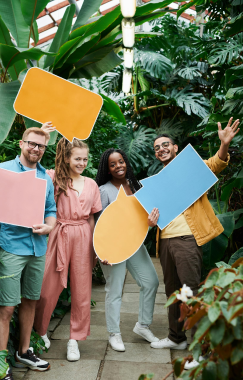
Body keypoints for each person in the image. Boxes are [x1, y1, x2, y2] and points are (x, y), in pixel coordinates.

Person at [150, 117, 240, 368]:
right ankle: (176, 337)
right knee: (173, 292)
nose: (161, 149)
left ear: (175, 147)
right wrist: (151, 220)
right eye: (157, 148)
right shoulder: (158, 180)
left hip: (188, 239)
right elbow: (154, 213)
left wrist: (224, 145)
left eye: (165, 144)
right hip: (165, 241)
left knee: (192, 291)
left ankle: (201, 350)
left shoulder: (189, 167)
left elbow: (215, 165)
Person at [0, 127, 57, 380]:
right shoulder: (3, 171)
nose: (36, 149)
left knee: (31, 301)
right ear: (22, 143)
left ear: (45, 149)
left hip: (38, 246)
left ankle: (24, 351)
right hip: (12, 246)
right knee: (7, 307)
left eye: (41, 146)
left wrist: (49, 225)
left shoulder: (46, 176)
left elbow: (51, 209)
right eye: (32, 144)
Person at [34, 126, 102, 362]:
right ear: (67, 157)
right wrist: (42, 135)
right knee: (45, 287)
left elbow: (92, 217)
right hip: (58, 233)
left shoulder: (92, 184)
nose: (82, 163)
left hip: (84, 235)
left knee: (82, 292)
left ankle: (75, 340)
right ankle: (40, 331)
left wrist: (95, 247)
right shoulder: (54, 177)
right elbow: (34, 167)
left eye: (85, 159)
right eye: (77, 158)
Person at [95, 148, 160, 352]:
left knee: (151, 281)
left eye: (121, 162)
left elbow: (142, 217)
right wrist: (102, 251)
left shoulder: (136, 185)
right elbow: (98, 224)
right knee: (114, 291)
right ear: (107, 169)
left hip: (134, 244)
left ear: (126, 162)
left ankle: (142, 325)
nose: (118, 166)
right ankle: (114, 333)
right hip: (112, 249)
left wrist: (150, 223)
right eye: (112, 164)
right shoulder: (104, 191)